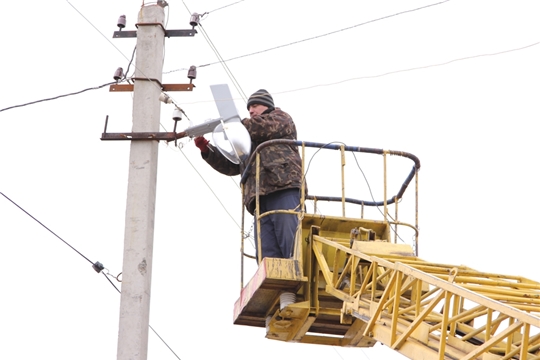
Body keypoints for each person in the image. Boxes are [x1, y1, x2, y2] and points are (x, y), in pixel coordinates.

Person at [194, 89, 304, 262]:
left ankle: (298, 274)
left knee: (291, 244)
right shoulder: (247, 138)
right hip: (259, 199)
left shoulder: (281, 118)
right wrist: (207, 150)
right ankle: (279, 288)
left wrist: (234, 125)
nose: (251, 111)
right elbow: (234, 166)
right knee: (267, 255)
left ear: (267, 106)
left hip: (283, 188)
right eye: (249, 108)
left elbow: (263, 127)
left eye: (255, 106)